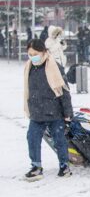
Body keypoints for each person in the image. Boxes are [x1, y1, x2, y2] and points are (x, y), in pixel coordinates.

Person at [24, 39, 73, 181]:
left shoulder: (54, 66)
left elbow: (65, 91)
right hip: (36, 113)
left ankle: (64, 166)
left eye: (35, 53)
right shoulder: (29, 67)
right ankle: (36, 167)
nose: (32, 56)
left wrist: (68, 112)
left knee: (59, 140)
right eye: (30, 54)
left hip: (54, 112)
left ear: (44, 52)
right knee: (32, 138)